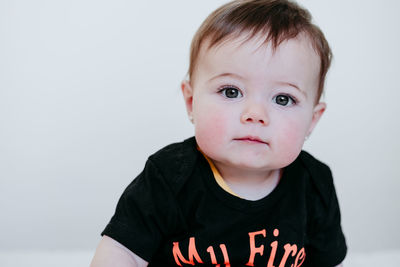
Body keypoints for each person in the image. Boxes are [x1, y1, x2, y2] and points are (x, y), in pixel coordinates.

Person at [91, 0, 347, 266]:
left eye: (283, 99)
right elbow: (122, 252)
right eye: (231, 91)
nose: (255, 114)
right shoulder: (169, 177)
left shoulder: (314, 186)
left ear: (312, 120)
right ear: (192, 102)